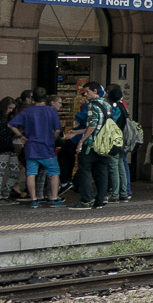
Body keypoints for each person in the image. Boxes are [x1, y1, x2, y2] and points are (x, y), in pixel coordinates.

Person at [8, 91, 61, 208]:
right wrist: (53, 139)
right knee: (54, 172)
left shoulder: (27, 111)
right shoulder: (51, 110)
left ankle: (34, 199)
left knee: (31, 173)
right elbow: (57, 129)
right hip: (47, 147)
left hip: (31, 147)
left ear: (33, 100)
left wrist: (21, 136)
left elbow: (11, 125)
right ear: (45, 98)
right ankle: (54, 198)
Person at [70, 82, 112, 210]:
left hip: (91, 144)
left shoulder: (92, 106)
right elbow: (100, 125)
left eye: (87, 91)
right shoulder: (107, 104)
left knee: (84, 171)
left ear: (95, 91)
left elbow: (92, 126)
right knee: (101, 171)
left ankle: (86, 200)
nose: (85, 94)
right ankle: (101, 199)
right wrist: (76, 132)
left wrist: (81, 140)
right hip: (104, 144)